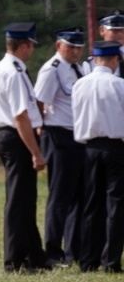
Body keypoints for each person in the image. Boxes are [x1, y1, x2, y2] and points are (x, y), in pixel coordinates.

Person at [0, 22, 49, 273]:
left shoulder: (4, 68)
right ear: (24, 45)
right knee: (18, 201)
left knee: (25, 198)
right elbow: (21, 116)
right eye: (31, 45)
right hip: (16, 137)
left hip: (12, 136)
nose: (32, 50)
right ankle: (15, 260)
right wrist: (36, 152)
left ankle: (35, 257)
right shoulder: (13, 72)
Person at [33, 27, 86, 267]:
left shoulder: (81, 68)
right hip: (58, 136)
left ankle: (74, 251)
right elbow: (40, 103)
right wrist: (41, 132)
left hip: (77, 136)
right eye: (70, 46)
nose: (75, 51)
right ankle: (53, 251)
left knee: (78, 196)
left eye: (78, 47)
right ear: (58, 46)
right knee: (59, 196)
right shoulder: (51, 70)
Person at [72, 41, 124, 273]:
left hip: (89, 148)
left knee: (91, 204)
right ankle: (111, 261)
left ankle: (88, 260)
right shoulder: (120, 85)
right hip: (115, 146)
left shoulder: (80, 85)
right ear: (115, 60)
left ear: (94, 59)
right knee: (116, 205)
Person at [82, 9, 124, 76]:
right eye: (114, 30)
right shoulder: (91, 63)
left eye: (122, 30)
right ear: (102, 31)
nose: (119, 34)